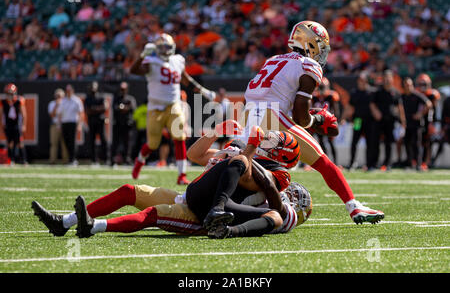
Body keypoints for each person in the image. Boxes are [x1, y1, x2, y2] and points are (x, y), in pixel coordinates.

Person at [31, 122, 309, 239]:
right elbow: (195, 154)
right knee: (131, 190)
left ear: (281, 153)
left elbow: (256, 176)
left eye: (272, 141)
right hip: (190, 195)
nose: (266, 140)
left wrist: (246, 149)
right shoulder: (244, 155)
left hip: (202, 214)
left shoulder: (276, 175)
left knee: (154, 213)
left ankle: (93, 227)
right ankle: (64, 222)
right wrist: (215, 132)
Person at [242, 20, 384, 224]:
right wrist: (317, 120)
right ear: (311, 43)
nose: (322, 52)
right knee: (324, 162)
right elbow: (301, 117)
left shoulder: (273, 59)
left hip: (247, 115)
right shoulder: (309, 65)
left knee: (251, 168)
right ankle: (354, 207)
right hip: (272, 116)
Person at [129, 33, 216, 185]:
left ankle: (181, 175)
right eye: (162, 47)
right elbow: (134, 71)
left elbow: (186, 79)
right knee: (153, 144)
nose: (165, 50)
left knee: (179, 137)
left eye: (168, 47)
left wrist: (203, 90)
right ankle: (140, 160)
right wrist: (142, 56)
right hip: (155, 107)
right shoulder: (151, 61)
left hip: (173, 105)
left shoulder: (177, 60)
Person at [369, 70, 406, 171]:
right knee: (375, 142)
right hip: (379, 120)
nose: (387, 80)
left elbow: (400, 107)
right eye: (385, 78)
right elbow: (372, 104)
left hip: (391, 121)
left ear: (392, 79)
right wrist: (376, 112)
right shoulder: (378, 91)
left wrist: (403, 122)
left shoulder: (396, 92)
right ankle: (373, 163)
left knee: (389, 143)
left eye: (389, 78)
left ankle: (387, 163)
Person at [341, 72, 374, 170]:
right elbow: (349, 107)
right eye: (360, 80)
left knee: (370, 142)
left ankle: (369, 164)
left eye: (363, 80)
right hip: (358, 120)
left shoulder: (371, 92)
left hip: (369, 120)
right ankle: (352, 163)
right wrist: (343, 118)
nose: (362, 82)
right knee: (354, 141)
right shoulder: (354, 93)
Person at [401, 78, 432, 170]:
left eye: (409, 85)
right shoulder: (402, 96)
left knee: (417, 144)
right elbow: (398, 107)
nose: (408, 87)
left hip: (417, 124)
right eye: (406, 85)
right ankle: (410, 163)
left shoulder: (417, 95)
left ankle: (418, 164)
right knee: (407, 143)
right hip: (407, 124)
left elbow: (428, 104)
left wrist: (420, 114)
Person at [311, 77, 340, 163]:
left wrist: (335, 121)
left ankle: (335, 162)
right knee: (321, 143)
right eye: (320, 87)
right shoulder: (314, 97)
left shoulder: (331, 96)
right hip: (319, 122)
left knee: (331, 143)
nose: (321, 89)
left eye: (323, 87)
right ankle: (326, 162)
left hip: (329, 122)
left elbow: (336, 109)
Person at [415, 73, 441, 170]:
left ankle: (427, 161)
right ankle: (417, 161)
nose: (422, 87)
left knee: (428, 142)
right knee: (418, 141)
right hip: (419, 121)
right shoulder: (416, 94)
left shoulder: (432, 95)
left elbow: (436, 111)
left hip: (430, 122)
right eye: (421, 84)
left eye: (424, 84)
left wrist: (434, 124)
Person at [0, 83, 28, 164]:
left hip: (17, 124)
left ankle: (24, 160)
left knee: (20, 142)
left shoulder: (19, 101)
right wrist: (1, 127)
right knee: (9, 143)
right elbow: (1, 115)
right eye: (8, 93)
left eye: (10, 93)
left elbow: (24, 114)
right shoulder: (3, 102)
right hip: (8, 124)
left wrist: (24, 125)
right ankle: (11, 160)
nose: (9, 95)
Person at [111, 82, 136, 165]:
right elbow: (115, 108)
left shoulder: (130, 99)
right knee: (115, 142)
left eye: (124, 89)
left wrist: (124, 108)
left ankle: (127, 159)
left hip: (127, 124)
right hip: (118, 123)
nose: (123, 91)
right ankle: (113, 159)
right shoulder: (117, 98)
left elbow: (132, 108)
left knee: (127, 143)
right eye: (121, 89)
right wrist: (124, 108)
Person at [59, 84, 84, 166]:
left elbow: (81, 113)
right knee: (66, 142)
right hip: (64, 123)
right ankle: (70, 159)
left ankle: (73, 159)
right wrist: (59, 125)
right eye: (67, 91)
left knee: (72, 142)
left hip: (73, 123)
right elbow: (60, 113)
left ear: (72, 91)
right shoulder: (63, 100)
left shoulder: (77, 100)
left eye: (69, 90)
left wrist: (80, 124)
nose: (68, 92)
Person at [84, 81, 108, 165]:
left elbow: (105, 108)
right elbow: (87, 111)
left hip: (100, 121)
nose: (93, 88)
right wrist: (98, 109)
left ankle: (105, 159)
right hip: (92, 122)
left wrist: (93, 109)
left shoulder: (101, 97)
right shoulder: (88, 98)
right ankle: (94, 160)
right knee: (92, 141)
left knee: (103, 140)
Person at [48, 88, 68, 164]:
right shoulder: (52, 103)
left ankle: (65, 161)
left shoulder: (66, 103)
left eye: (60, 96)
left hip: (64, 125)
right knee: (54, 144)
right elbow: (52, 115)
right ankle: (52, 160)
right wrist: (57, 105)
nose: (59, 97)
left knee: (64, 144)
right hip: (55, 125)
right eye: (57, 95)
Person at [431, 94, 450, 166]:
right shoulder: (447, 100)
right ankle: (433, 160)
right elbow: (443, 115)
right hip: (447, 126)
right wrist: (443, 127)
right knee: (441, 143)